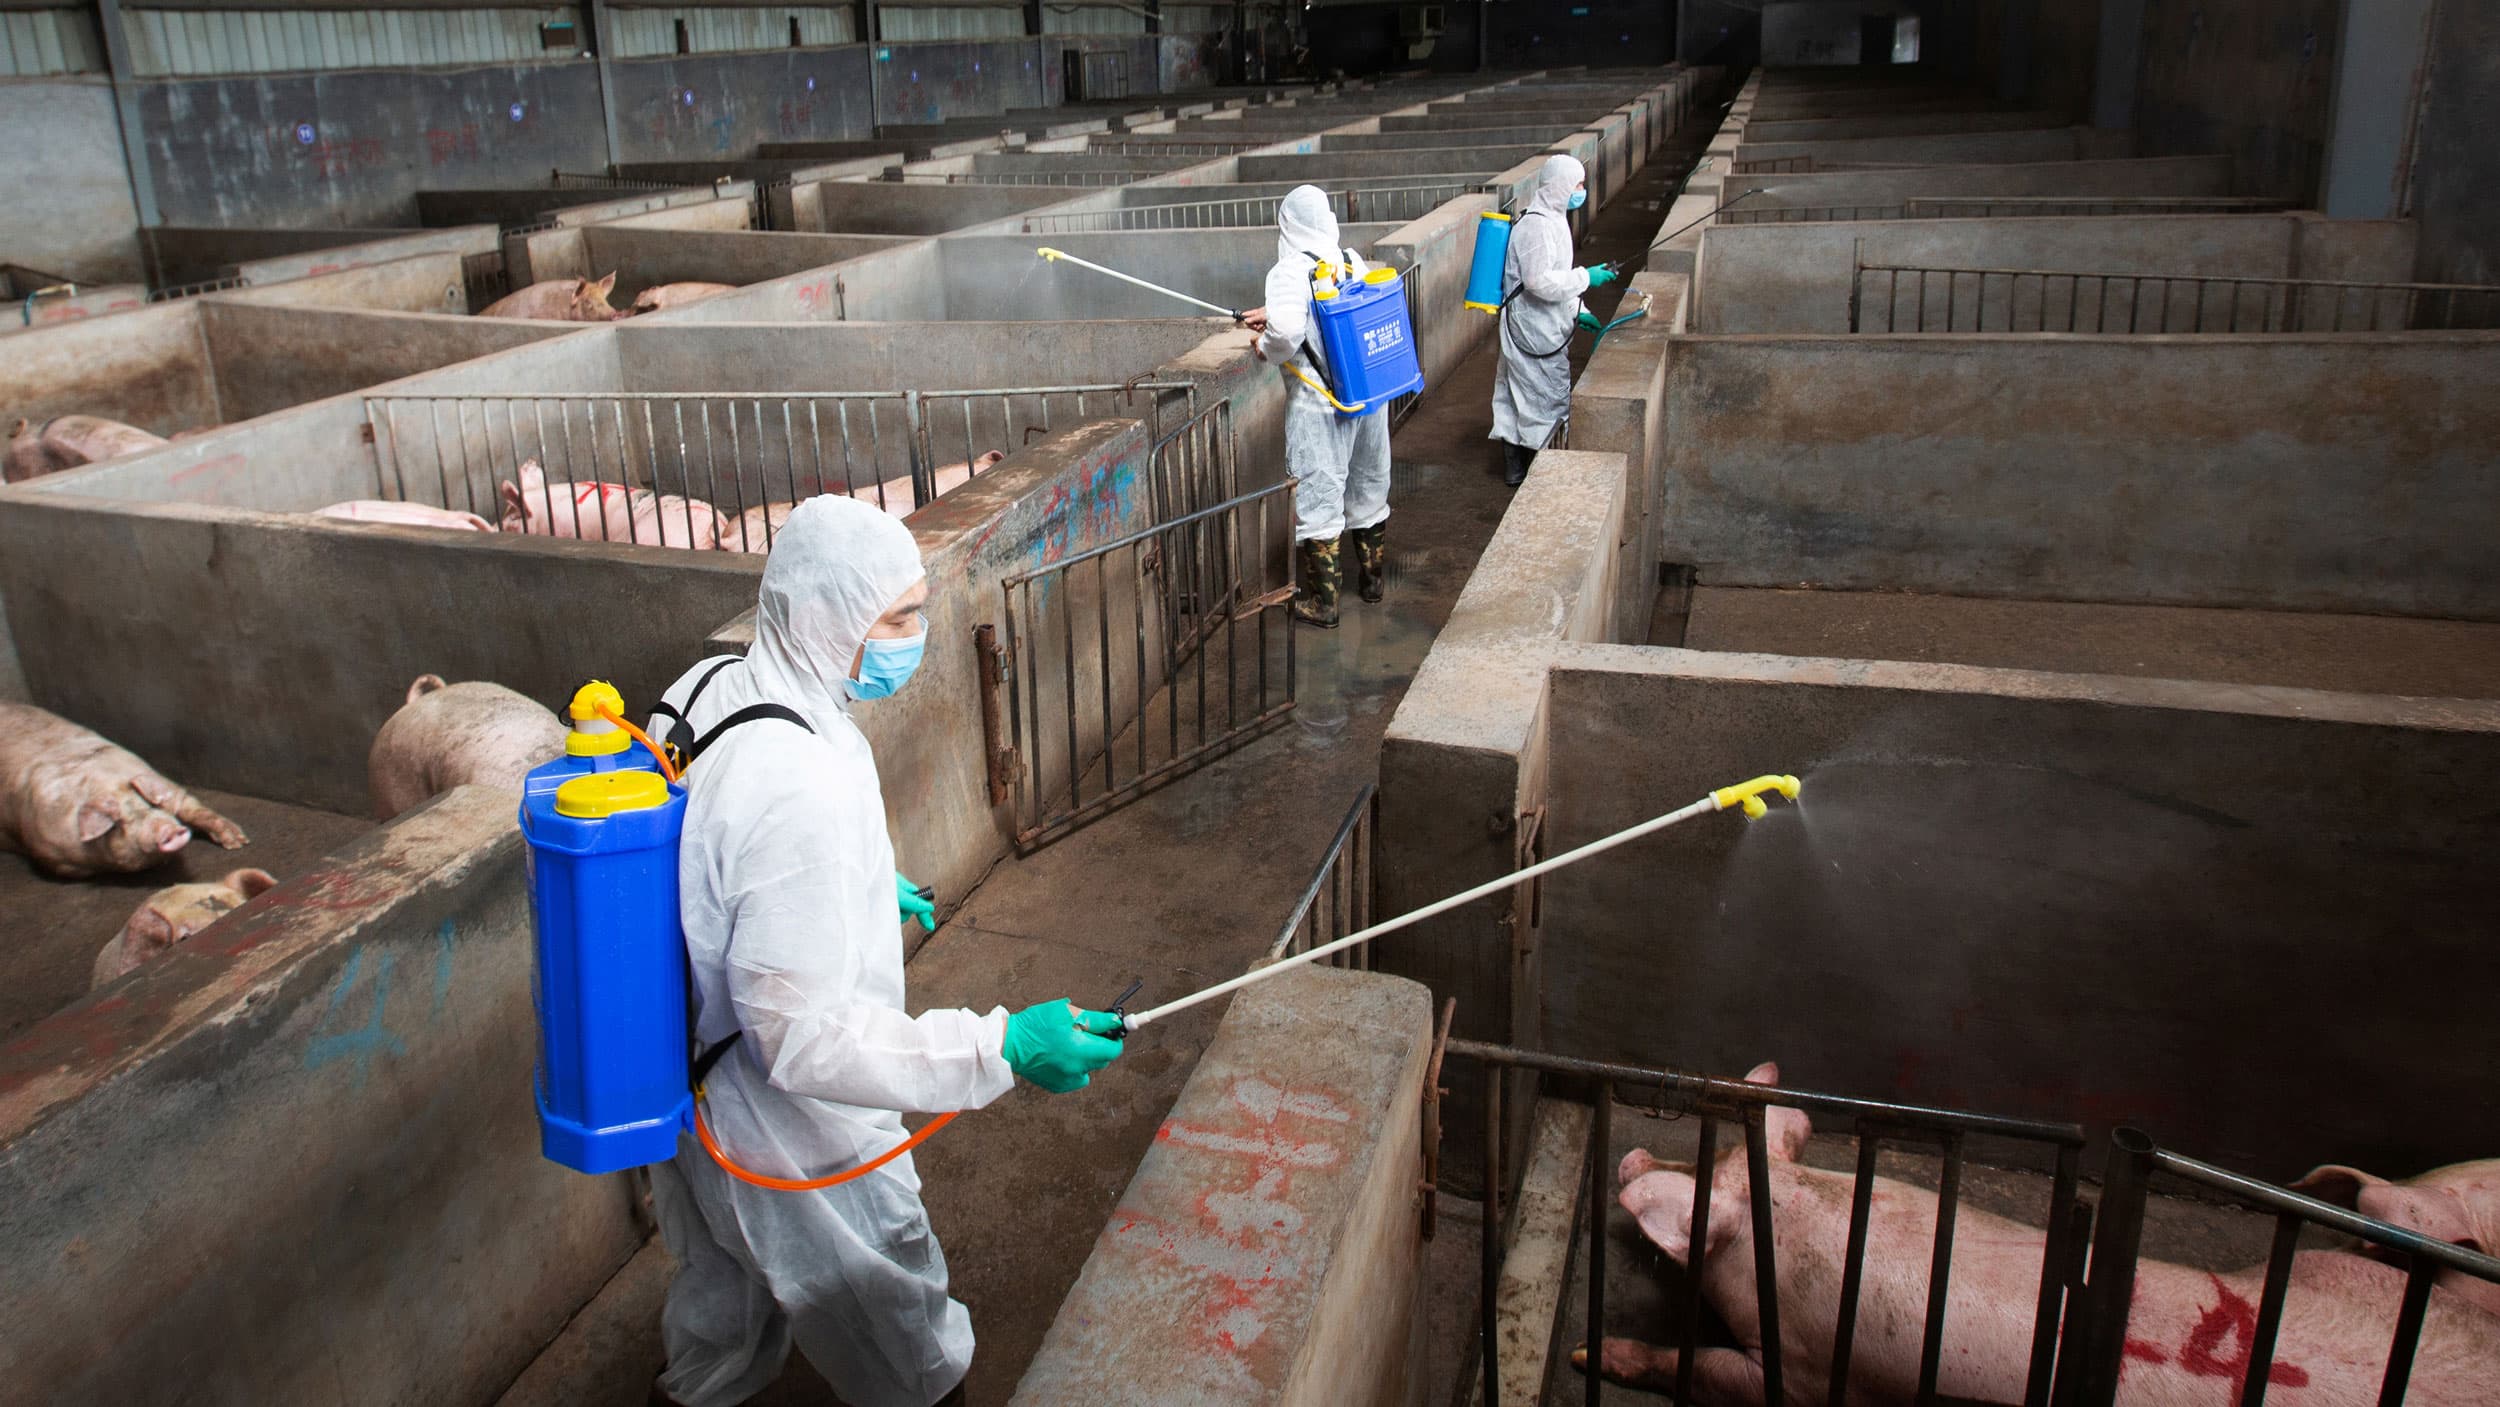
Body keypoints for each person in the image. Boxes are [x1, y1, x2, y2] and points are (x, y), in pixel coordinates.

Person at [644, 495, 1124, 1407]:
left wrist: (861, 888)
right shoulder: (796, 785)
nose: (920, 633)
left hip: (691, 1090)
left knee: (723, 1314)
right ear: (825, 616)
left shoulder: (709, 688)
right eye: (899, 616)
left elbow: (708, 866)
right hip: (789, 1132)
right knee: (904, 1330)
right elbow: (804, 1041)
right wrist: (1000, 1045)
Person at [1239, 185, 1394, 629]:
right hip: (1365, 396)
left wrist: (1266, 345)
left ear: (1287, 224)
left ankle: (1324, 605)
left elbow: (1288, 331)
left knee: (1320, 496)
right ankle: (1372, 582)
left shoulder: (1288, 270)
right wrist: (1277, 313)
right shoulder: (1349, 259)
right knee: (1367, 486)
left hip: (1320, 404)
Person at [1491, 153, 1617, 488]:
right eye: (1577, 184)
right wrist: (1586, 277)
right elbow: (1538, 281)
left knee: (1520, 392)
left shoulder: (1554, 219)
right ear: (1560, 185)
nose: (1581, 190)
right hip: (1533, 327)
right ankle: (1541, 471)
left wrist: (1580, 309)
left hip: (1541, 322)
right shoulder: (1537, 226)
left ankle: (1518, 466)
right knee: (1547, 394)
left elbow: (1557, 277)